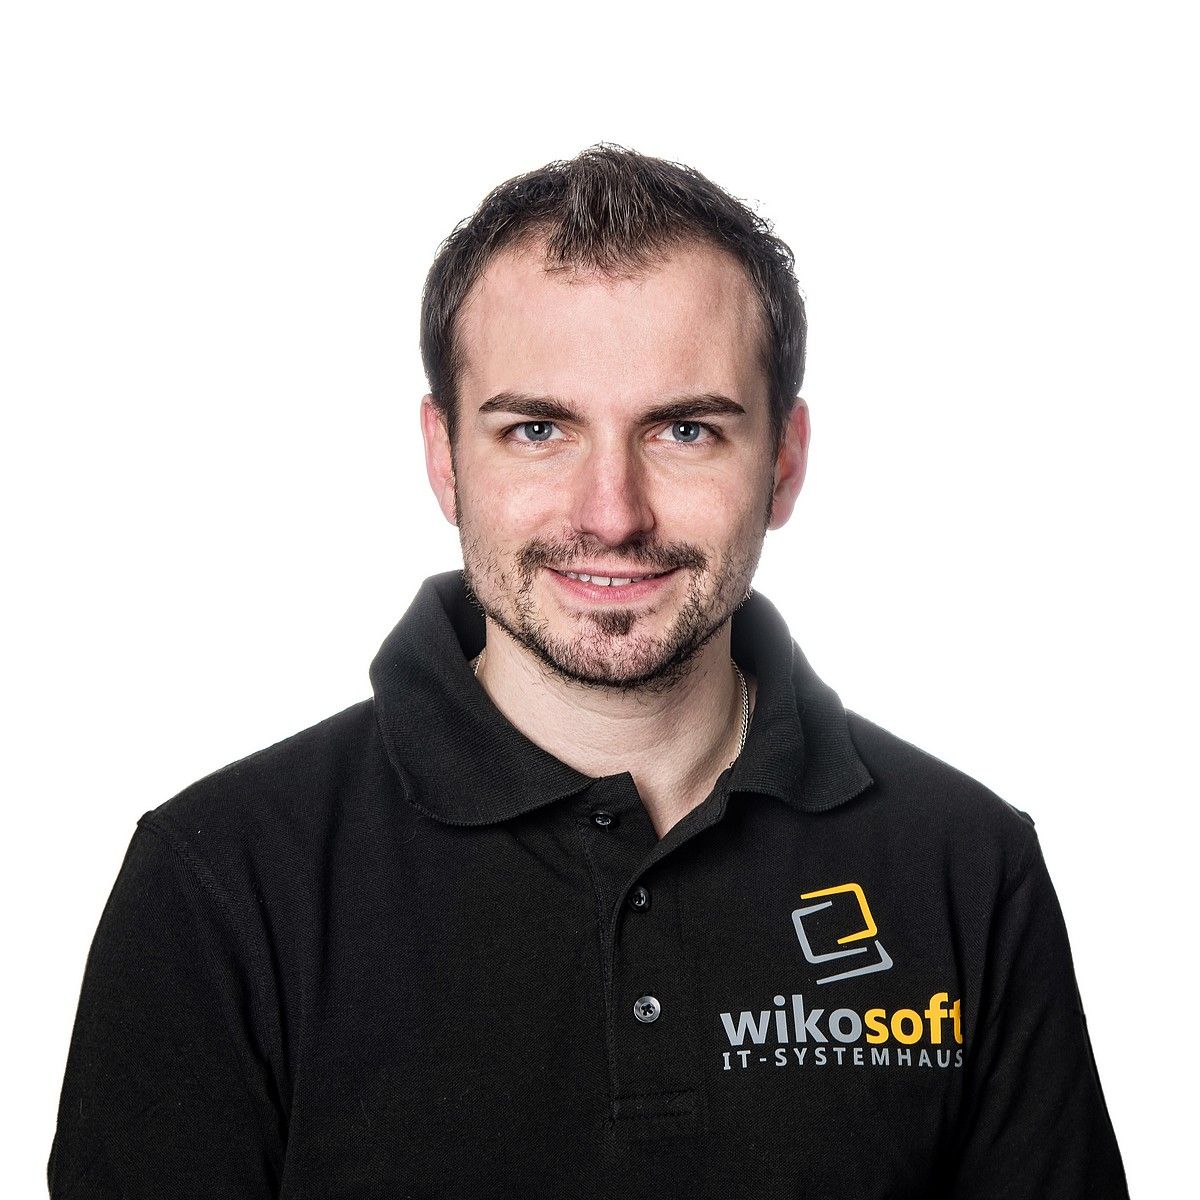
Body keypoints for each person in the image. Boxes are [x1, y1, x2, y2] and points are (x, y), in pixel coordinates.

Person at [48, 144, 1128, 1199]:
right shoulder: (222, 882)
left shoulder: (966, 864)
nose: (611, 514)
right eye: (537, 430)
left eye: (685, 430)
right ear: (444, 458)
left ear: (785, 461)